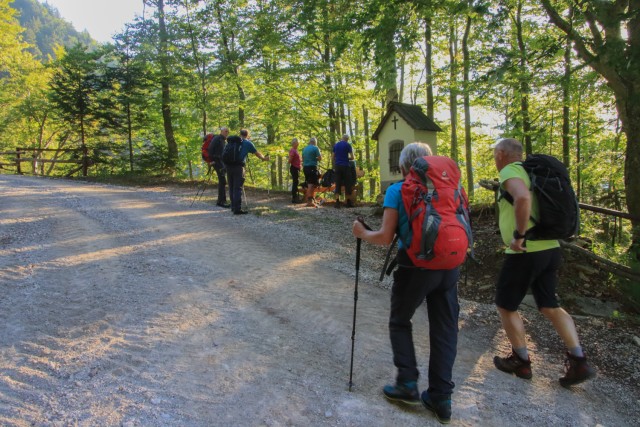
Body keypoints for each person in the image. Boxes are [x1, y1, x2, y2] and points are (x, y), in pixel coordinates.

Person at [352, 142, 460, 424]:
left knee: (400, 320)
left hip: (415, 267)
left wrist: (362, 233)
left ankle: (407, 383)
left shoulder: (397, 190)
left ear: (403, 167)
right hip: (449, 265)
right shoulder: (449, 187)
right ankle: (441, 396)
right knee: (445, 327)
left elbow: (385, 237)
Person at [491, 138, 595, 387]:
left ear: (503, 153)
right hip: (550, 248)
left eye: (495, 154)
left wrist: (518, 235)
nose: (495, 159)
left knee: (506, 305)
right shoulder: (532, 173)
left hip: (526, 251)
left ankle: (521, 360)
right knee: (549, 305)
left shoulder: (511, 170)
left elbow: (523, 198)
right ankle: (578, 360)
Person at [226, 129, 270, 215]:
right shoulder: (247, 143)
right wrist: (264, 158)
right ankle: (237, 209)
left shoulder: (232, 142)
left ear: (240, 134)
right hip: (238, 167)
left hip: (229, 166)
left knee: (231, 187)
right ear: (247, 135)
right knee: (237, 188)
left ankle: (233, 206)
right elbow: (257, 153)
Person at [208, 126, 230, 208]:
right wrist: (212, 160)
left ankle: (222, 200)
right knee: (222, 181)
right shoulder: (217, 139)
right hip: (217, 162)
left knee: (223, 181)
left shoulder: (223, 140)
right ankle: (221, 201)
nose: (227, 133)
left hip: (221, 163)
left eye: (228, 132)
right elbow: (210, 149)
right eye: (225, 131)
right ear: (221, 131)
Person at [332, 134, 354, 208]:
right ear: (347, 139)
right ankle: (348, 202)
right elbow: (352, 157)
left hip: (337, 166)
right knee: (348, 183)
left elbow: (333, 157)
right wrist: (347, 159)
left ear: (342, 138)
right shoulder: (348, 145)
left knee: (337, 183)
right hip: (345, 166)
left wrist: (338, 160)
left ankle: (337, 202)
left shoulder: (336, 145)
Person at [301, 137, 322, 207]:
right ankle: (309, 201)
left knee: (310, 183)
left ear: (309, 142)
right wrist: (314, 158)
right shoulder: (315, 148)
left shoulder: (304, 149)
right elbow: (320, 158)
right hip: (312, 167)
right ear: (315, 142)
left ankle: (312, 199)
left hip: (305, 168)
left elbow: (303, 159)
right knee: (311, 184)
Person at [288, 138, 303, 204]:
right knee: (295, 182)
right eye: (297, 143)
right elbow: (290, 159)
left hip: (297, 168)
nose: (298, 144)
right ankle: (294, 198)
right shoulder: (292, 150)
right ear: (294, 143)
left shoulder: (296, 150)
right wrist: (290, 161)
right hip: (294, 168)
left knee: (296, 182)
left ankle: (296, 197)